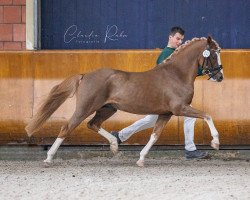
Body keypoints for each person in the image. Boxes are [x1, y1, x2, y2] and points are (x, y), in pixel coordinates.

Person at [111, 26, 209, 159]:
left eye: (181, 40)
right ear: (170, 37)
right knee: (186, 116)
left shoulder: (177, 55)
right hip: (164, 97)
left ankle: (120, 136)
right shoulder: (166, 54)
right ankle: (190, 150)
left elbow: (183, 73)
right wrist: (201, 72)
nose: (179, 42)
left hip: (169, 98)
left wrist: (203, 71)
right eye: (177, 38)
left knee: (151, 120)